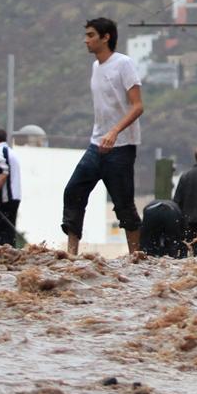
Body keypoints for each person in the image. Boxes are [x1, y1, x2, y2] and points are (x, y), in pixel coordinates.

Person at [61, 17, 144, 258]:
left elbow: (137, 106)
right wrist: (104, 134)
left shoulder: (123, 64)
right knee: (73, 190)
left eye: (90, 35)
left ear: (105, 37)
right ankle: (71, 254)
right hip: (97, 145)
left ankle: (135, 258)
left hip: (121, 147)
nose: (85, 40)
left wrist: (115, 131)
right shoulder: (96, 67)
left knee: (124, 204)